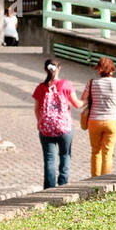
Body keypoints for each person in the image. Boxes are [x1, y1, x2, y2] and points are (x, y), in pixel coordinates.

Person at [32, 59, 83, 188]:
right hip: (64, 128)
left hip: (46, 128)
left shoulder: (41, 87)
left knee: (50, 159)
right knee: (65, 155)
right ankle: (63, 184)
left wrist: (40, 122)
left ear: (45, 70)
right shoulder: (66, 84)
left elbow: (37, 109)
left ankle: (49, 187)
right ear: (59, 68)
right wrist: (87, 99)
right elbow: (77, 104)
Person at [83, 57, 116, 176]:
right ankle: (104, 181)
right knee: (108, 152)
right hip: (111, 121)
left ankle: (94, 180)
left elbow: (84, 99)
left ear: (99, 69)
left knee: (95, 151)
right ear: (112, 70)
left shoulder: (91, 82)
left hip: (94, 121)